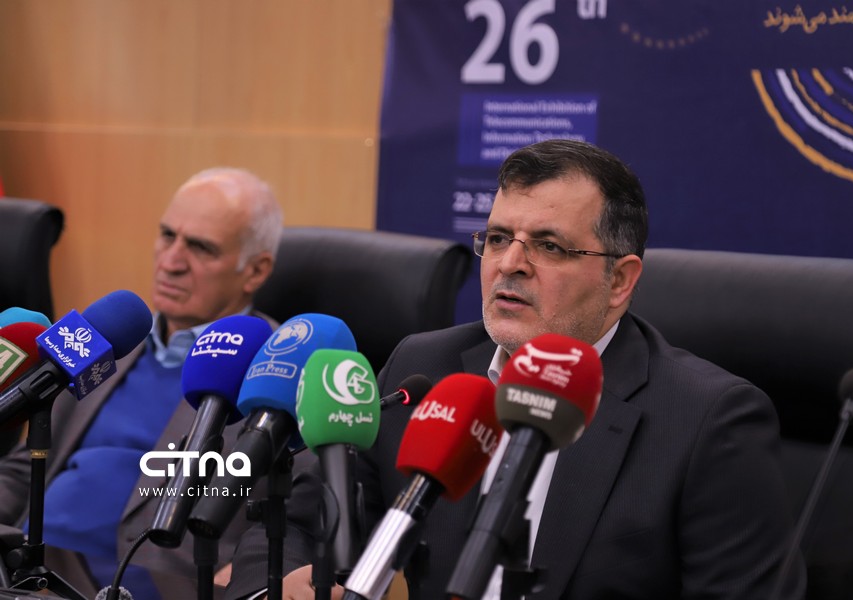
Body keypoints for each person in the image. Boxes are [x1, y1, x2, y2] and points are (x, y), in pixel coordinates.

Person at [225, 139, 805, 599]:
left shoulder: (707, 420)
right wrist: (280, 583)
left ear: (620, 281)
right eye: (499, 237)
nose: (510, 263)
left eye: (549, 246)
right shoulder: (424, 368)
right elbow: (300, 520)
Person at [0, 167, 284, 599]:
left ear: (255, 271)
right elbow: (28, 466)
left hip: (152, 582)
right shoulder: (108, 338)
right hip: (28, 570)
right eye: (167, 235)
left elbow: (299, 510)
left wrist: (252, 572)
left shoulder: (277, 369)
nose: (171, 262)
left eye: (200, 248)